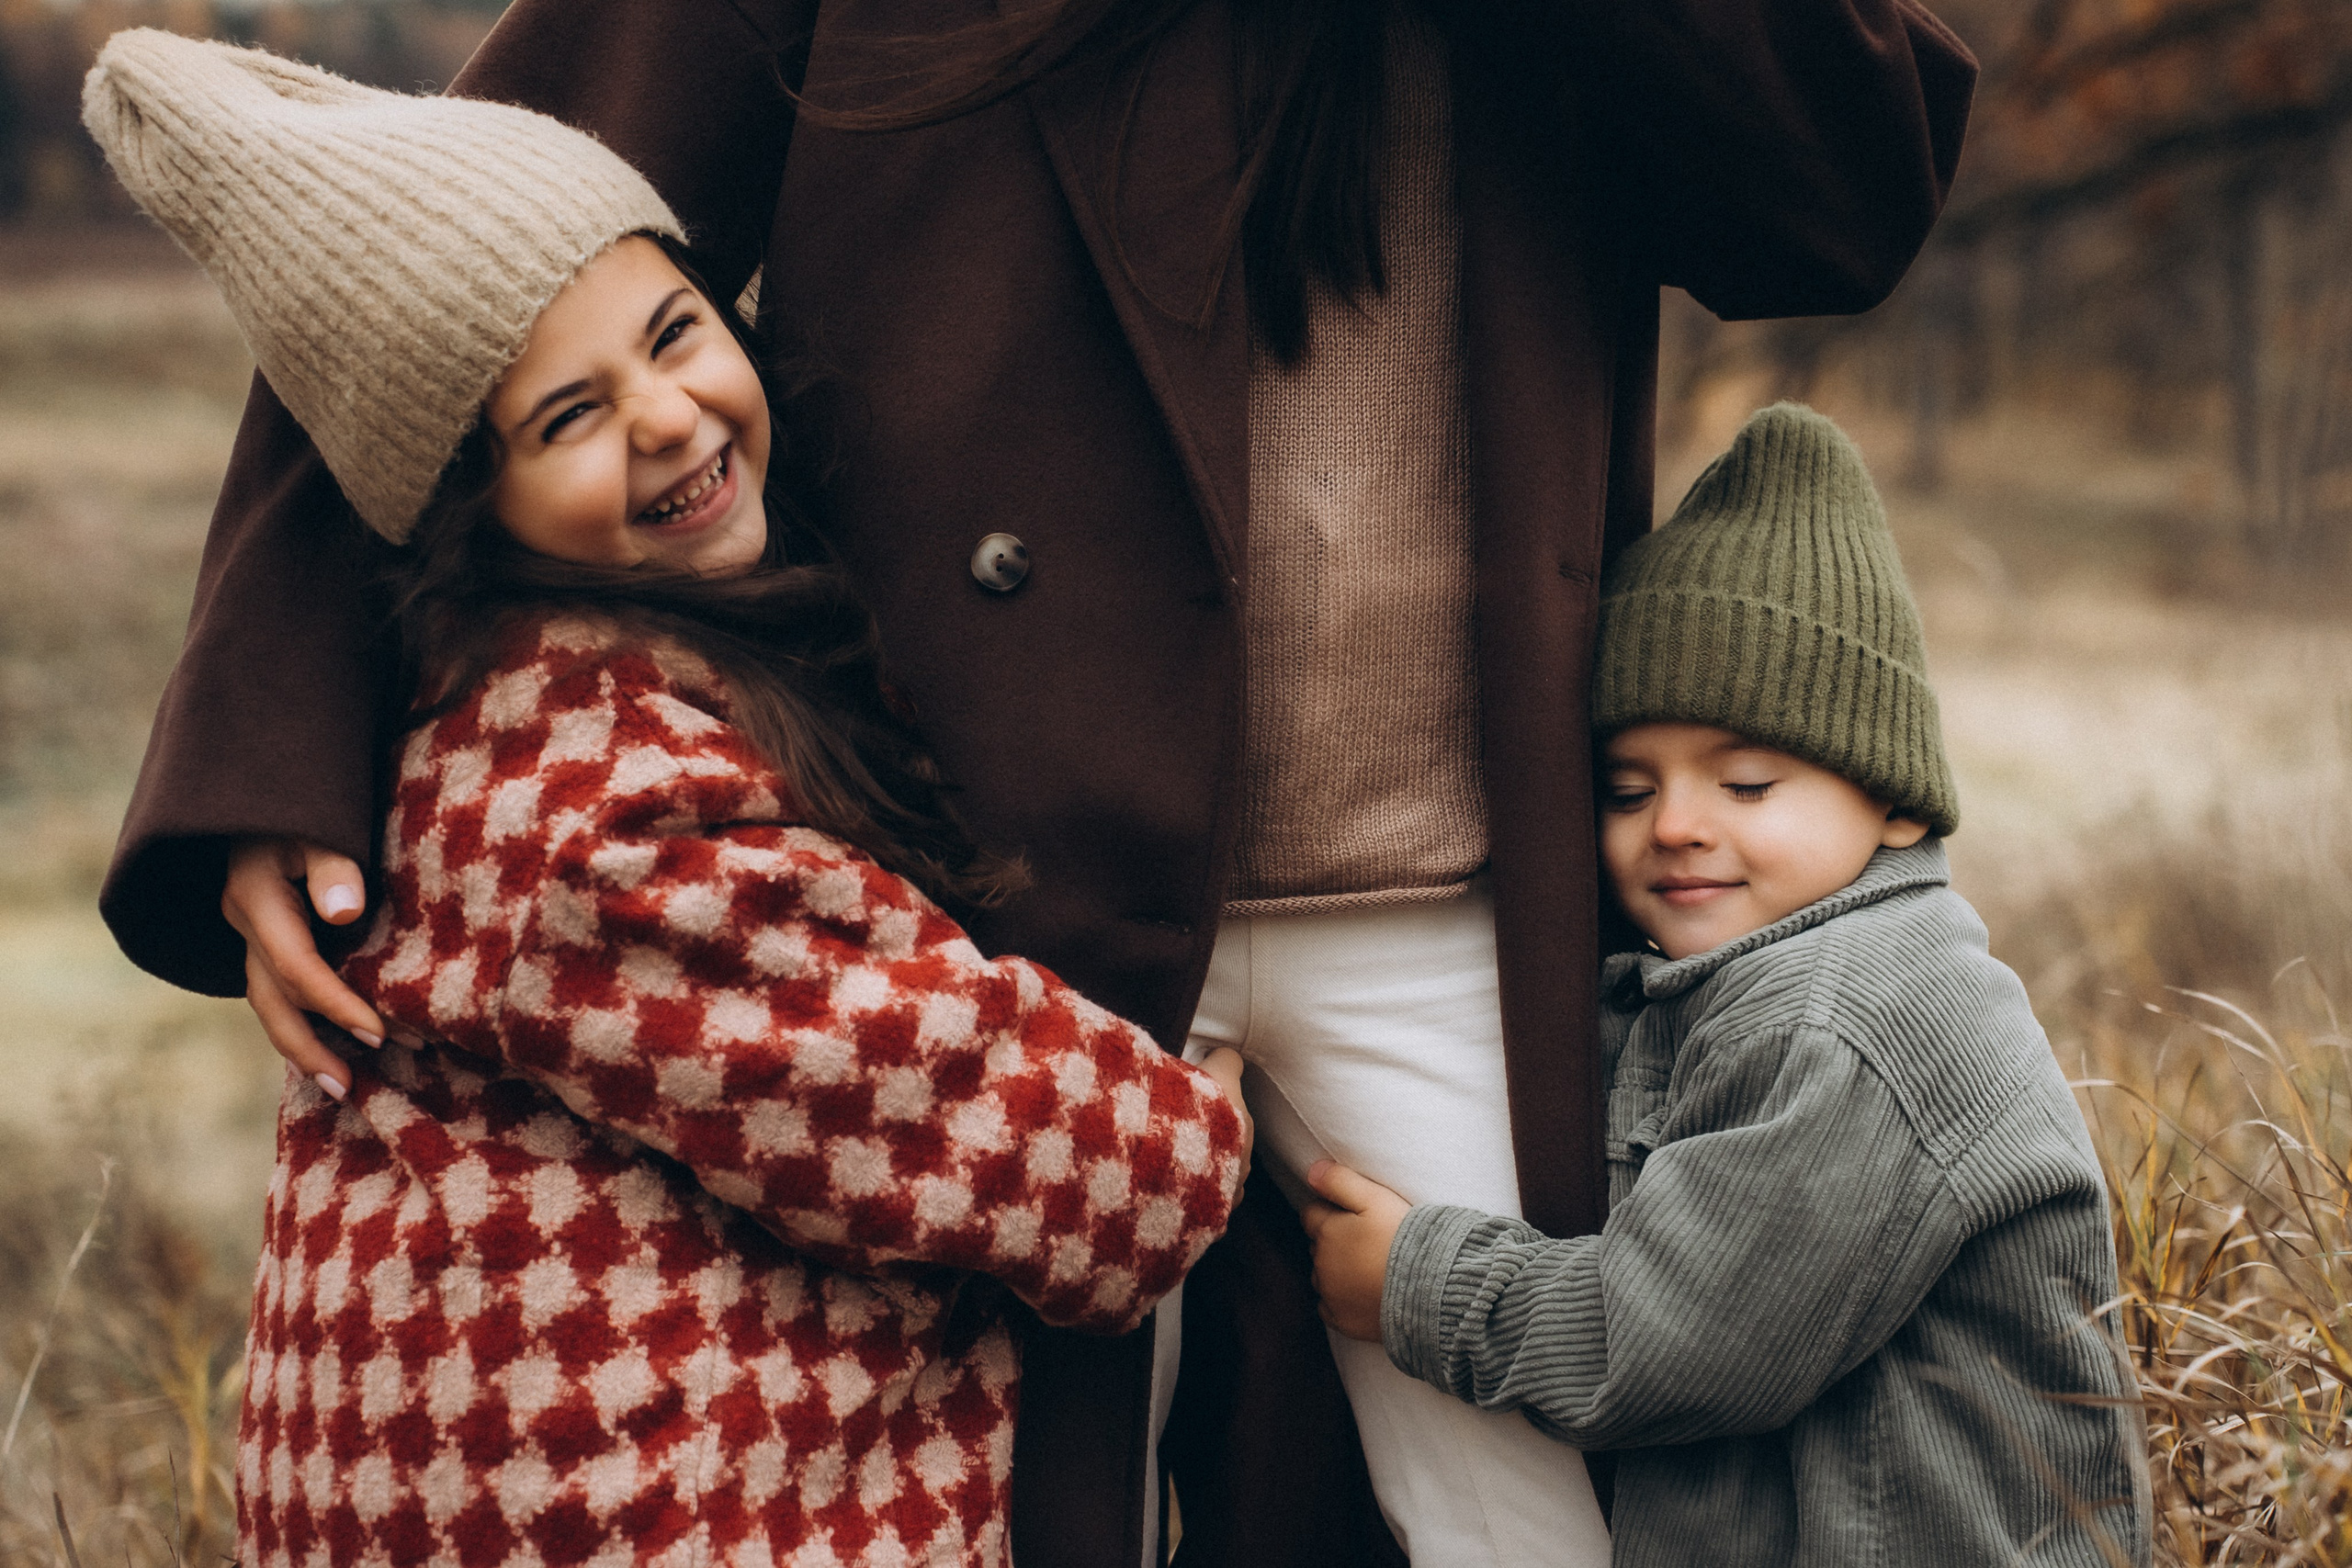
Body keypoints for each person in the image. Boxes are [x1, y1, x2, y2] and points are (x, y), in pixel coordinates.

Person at [96, 3, 1979, 1562]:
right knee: (970, 1520)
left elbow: (1834, 196)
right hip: (973, 894)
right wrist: (277, 719)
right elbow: (460, 220)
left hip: (1450, 884)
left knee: (1550, 1508)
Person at [83, 30, 1255, 1568]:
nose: (668, 415)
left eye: (680, 329)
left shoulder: (483, 721)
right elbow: (922, 1089)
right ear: (462, 503)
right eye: (569, 416)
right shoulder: (595, 812)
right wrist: (1188, 1139)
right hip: (664, 1515)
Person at [1302, 404, 2154, 1567]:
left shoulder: (1849, 1018)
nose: (1678, 826)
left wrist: (1421, 1285)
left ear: (1894, 798)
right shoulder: (1743, 984)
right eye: (1627, 788)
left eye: (1747, 782)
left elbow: (1677, 1341)